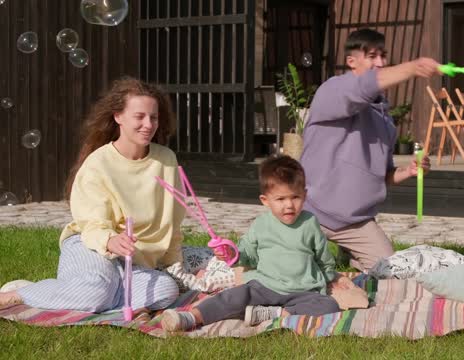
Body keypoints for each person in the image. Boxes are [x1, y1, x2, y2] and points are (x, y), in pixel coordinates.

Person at [0, 77, 185, 314]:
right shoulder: (98, 163)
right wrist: (110, 240)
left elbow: (174, 219)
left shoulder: (166, 159)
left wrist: (173, 263)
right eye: (139, 117)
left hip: (132, 261)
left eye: (154, 117)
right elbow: (92, 224)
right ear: (118, 117)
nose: (148, 124)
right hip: (91, 245)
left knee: (165, 291)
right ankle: (20, 293)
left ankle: (86, 291)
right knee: (95, 294)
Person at [300, 28, 440, 272]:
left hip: (355, 222)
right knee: (299, 274)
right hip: (309, 213)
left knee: (391, 272)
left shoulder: (386, 121)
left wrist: (408, 171)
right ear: (351, 62)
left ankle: (350, 254)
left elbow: (382, 177)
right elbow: (363, 87)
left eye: (383, 56)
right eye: (372, 56)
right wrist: (413, 67)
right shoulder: (332, 90)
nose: (381, 63)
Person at [162, 156, 352, 331]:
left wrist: (329, 279)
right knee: (232, 296)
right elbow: (248, 255)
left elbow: (324, 258)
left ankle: (277, 314)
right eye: (280, 199)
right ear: (266, 200)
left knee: (329, 305)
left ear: (305, 194)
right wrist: (232, 254)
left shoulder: (310, 223)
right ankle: (190, 318)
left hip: (303, 290)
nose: (289, 205)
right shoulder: (261, 225)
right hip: (265, 286)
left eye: (295, 197)